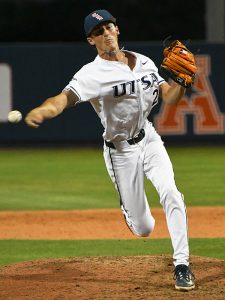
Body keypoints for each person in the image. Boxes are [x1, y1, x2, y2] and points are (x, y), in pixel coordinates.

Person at [25, 9, 195, 291]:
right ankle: (130, 209)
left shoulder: (144, 62)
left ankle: (182, 264)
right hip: (120, 152)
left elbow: (170, 97)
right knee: (144, 228)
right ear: (91, 41)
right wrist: (44, 111)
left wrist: (183, 81)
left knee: (171, 192)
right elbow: (63, 99)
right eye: (97, 32)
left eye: (108, 27)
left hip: (149, 138)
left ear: (117, 29)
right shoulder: (92, 73)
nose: (105, 34)